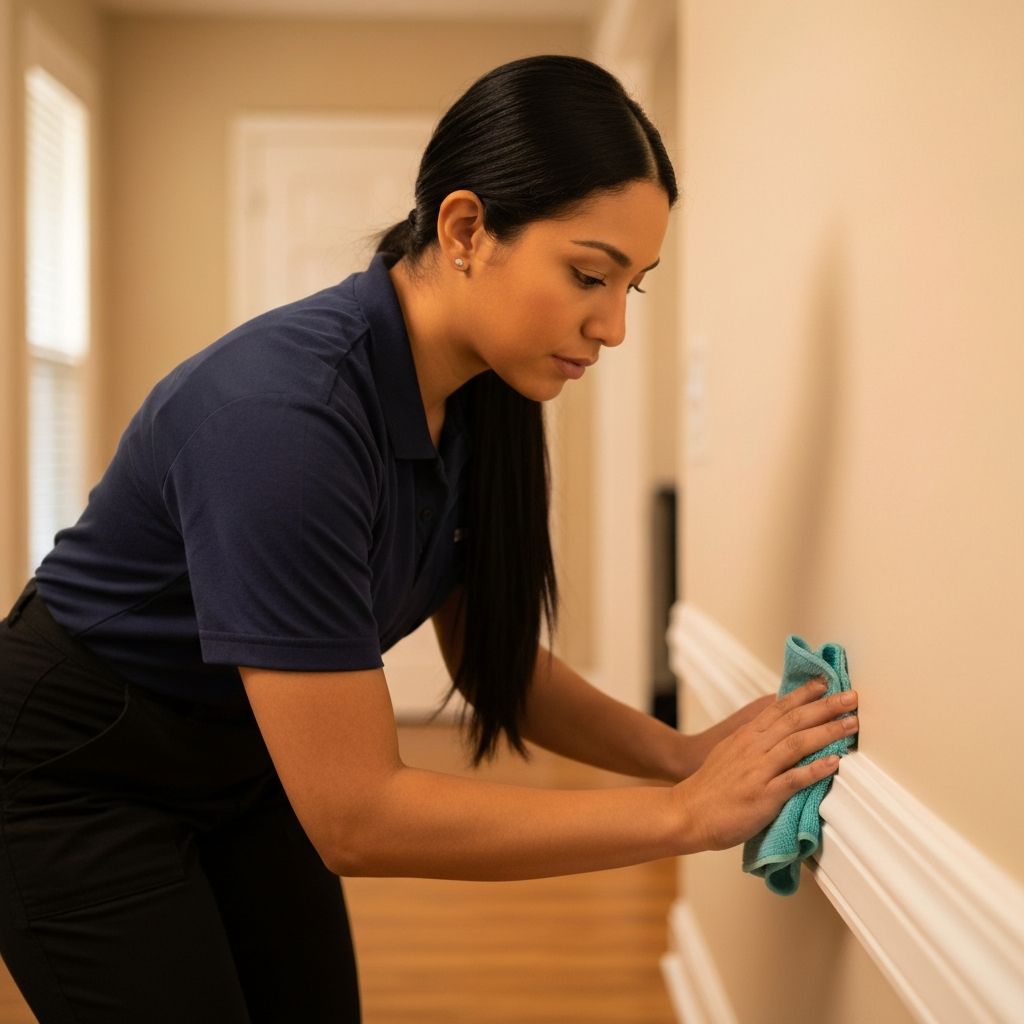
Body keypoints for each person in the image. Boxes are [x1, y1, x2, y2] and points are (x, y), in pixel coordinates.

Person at [0, 54, 858, 1023]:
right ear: (463, 229)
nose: (613, 326)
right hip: (73, 773)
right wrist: (681, 817)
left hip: (241, 758)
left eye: (634, 287)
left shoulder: (479, 395)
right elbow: (356, 815)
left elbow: (493, 659)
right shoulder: (285, 419)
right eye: (588, 274)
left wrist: (679, 754)